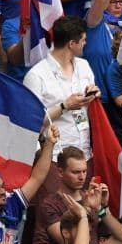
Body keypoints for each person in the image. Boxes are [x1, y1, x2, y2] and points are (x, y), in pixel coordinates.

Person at [23, 16, 98, 164]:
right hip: (55, 158)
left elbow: (91, 107)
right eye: (83, 40)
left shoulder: (84, 66)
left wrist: (94, 95)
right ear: (71, 44)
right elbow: (30, 122)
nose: (85, 43)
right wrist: (64, 106)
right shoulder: (36, 76)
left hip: (85, 155)